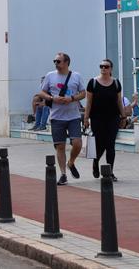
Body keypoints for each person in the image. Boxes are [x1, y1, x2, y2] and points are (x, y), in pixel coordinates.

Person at [38, 52, 86, 185]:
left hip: (73, 116)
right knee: (60, 146)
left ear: (66, 63)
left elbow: (83, 93)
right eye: (55, 61)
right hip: (57, 117)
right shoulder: (50, 76)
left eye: (58, 61)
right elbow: (41, 92)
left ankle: (71, 162)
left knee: (77, 143)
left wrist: (71, 98)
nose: (56, 64)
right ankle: (63, 174)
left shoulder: (76, 76)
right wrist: (52, 98)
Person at [82, 59, 123, 181]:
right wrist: (86, 118)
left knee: (110, 145)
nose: (103, 69)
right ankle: (95, 162)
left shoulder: (116, 83)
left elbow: (119, 101)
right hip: (97, 118)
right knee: (100, 145)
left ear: (111, 69)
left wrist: (124, 116)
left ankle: (110, 172)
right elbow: (89, 102)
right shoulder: (93, 82)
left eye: (106, 67)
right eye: (101, 66)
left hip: (113, 118)